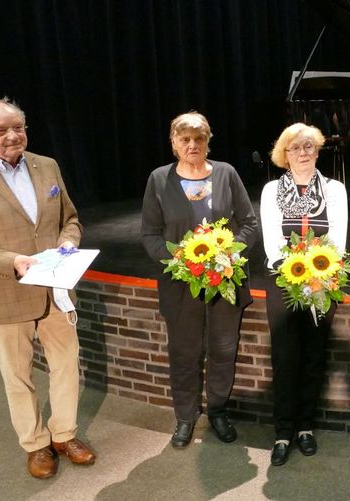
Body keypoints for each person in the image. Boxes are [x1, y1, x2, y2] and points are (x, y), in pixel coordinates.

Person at [0, 98, 96, 479]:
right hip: (6, 294)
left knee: (66, 366)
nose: (13, 136)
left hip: (55, 291)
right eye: (1, 130)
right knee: (18, 376)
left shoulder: (47, 166)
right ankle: (36, 445)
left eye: (18, 127)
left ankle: (64, 435)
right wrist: (12, 261)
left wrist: (69, 242)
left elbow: (70, 219)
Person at [141, 111, 258, 448]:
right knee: (183, 352)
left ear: (208, 141)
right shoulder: (159, 179)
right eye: (185, 139)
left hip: (225, 279)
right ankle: (185, 417)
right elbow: (149, 234)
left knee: (223, 349)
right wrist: (176, 258)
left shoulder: (226, 174)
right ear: (173, 144)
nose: (193, 145)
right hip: (181, 283)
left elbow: (248, 223)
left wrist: (231, 255)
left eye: (199, 139)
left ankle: (218, 411)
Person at [260, 123, 348, 466]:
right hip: (283, 280)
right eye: (295, 148)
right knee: (285, 357)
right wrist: (295, 271)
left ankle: (306, 428)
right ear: (285, 153)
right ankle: (283, 431)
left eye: (309, 147)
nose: (303, 153)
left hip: (324, 279)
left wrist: (319, 273)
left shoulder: (335, 190)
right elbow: (271, 242)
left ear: (317, 150)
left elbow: (338, 240)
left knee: (314, 354)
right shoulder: (271, 190)